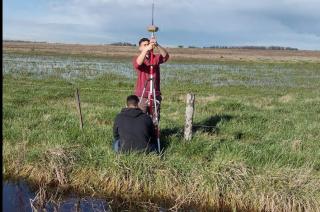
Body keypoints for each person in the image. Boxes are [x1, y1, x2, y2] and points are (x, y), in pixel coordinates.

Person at [132, 37, 169, 122]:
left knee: (155, 120)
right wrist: (145, 50)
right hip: (142, 95)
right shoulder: (138, 58)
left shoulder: (155, 58)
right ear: (140, 48)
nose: (147, 46)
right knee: (141, 119)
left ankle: (154, 135)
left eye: (148, 44)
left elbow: (166, 56)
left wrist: (157, 45)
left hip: (155, 95)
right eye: (144, 45)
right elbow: (138, 64)